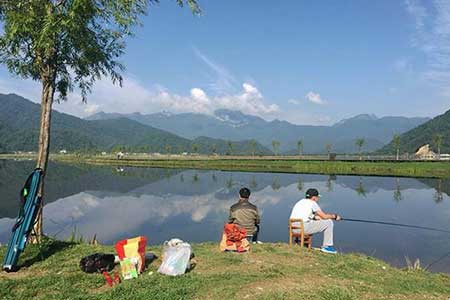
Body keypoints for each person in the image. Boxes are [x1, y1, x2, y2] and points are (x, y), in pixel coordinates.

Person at [289, 188, 341, 254]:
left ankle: (305, 245)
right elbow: (324, 216)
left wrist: (316, 218)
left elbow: (305, 216)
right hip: (304, 228)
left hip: (293, 228)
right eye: (317, 197)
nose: (318, 199)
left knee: (313, 222)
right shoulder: (312, 203)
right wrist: (334, 216)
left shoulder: (300, 202)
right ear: (314, 198)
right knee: (329, 222)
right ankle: (327, 246)